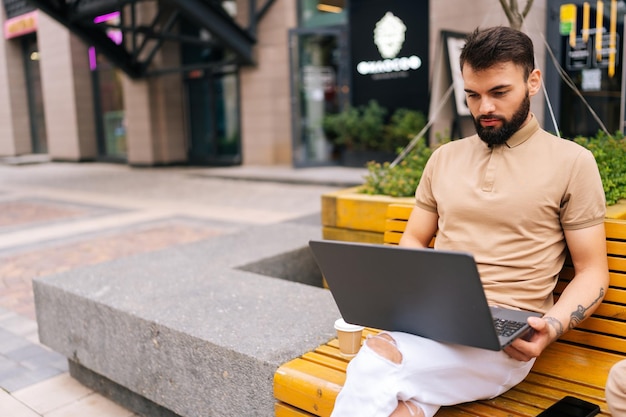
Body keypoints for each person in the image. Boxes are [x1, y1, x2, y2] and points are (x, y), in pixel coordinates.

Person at [330, 26, 609, 417]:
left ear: (532, 82)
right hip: (432, 322)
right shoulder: (443, 158)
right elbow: (413, 238)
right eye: (472, 95)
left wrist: (552, 326)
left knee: (375, 363)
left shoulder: (572, 163)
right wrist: (410, 297)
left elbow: (593, 271)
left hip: (505, 343)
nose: (484, 108)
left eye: (499, 92)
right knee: (398, 406)